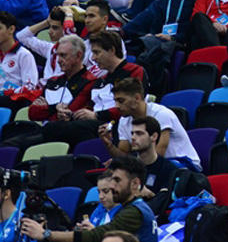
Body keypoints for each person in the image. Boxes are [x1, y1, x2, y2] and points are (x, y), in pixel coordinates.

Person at [20, 156, 157, 242]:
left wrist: (46, 234)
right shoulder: (135, 207)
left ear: (134, 184)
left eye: (117, 180)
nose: (112, 186)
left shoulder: (134, 212)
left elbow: (96, 236)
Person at [105, 78, 200, 168]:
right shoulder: (123, 121)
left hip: (183, 163)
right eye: (115, 101)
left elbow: (159, 152)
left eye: (121, 101)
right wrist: (110, 146)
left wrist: (132, 168)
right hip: (151, 163)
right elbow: (124, 155)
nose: (116, 106)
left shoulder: (161, 114)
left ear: (137, 98)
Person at [126, 115, 181, 197]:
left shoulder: (169, 170)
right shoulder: (125, 166)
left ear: (154, 136)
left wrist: (150, 195)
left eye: (139, 133)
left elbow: (166, 201)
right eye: (132, 133)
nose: (133, 137)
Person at [0, 10, 38, 95]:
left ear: (11, 29)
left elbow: (30, 87)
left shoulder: (24, 55)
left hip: (14, 99)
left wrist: (8, 92)